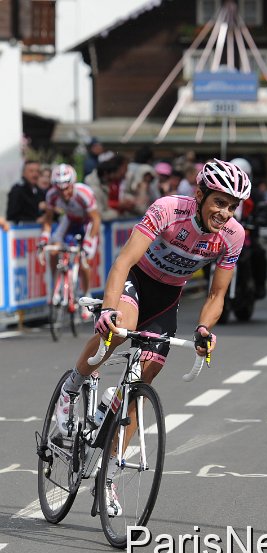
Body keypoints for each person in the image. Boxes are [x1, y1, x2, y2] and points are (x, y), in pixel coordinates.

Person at [55, 158, 250, 513]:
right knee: (115, 333)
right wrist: (108, 309)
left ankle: (108, 475)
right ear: (201, 193)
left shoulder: (233, 236)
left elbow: (216, 295)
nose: (225, 212)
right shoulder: (168, 209)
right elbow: (124, 261)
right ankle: (74, 382)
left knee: (141, 389)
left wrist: (205, 329)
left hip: (166, 298)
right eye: (220, 202)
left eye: (232, 206)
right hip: (137, 282)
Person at [40, 164, 101, 318]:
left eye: (67, 188)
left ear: (73, 184)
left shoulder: (84, 193)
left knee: (84, 261)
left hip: (87, 224)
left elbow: (96, 220)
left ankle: (86, 294)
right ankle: (54, 290)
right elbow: (48, 220)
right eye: (60, 190)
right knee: (53, 250)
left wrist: (88, 242)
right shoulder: (51, 195)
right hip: (69, 221)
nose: (64, 193)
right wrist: (44, 238)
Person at [230, 157, 267, 299]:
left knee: (259, 254)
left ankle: (259, 285)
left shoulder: (255, 194)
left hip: (248, 237)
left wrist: (260, 219)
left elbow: (264, 209)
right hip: (223, 237)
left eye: (241, 176)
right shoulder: (221, 191)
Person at [6, 160, 46, 224]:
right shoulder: (17, 190)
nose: (35, 174)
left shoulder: (39, 191)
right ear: (24, 173)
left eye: (37, 171)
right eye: (31, 171)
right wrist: (34, 220)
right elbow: (12, 216)